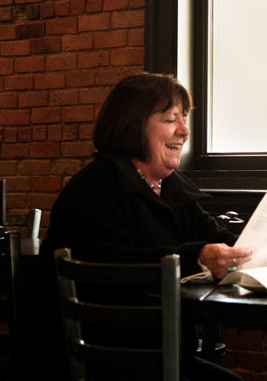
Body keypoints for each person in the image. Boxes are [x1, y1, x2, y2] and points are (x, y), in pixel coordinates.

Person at [41, 72, 251, 381]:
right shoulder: (97, 186)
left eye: (185, 119)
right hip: (104, 362)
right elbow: (110, 263)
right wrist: (195, 257)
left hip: (165, 357)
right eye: (170, 119)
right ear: (133, 124)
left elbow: (216, 237)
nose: (184, 130)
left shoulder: (170, 186)